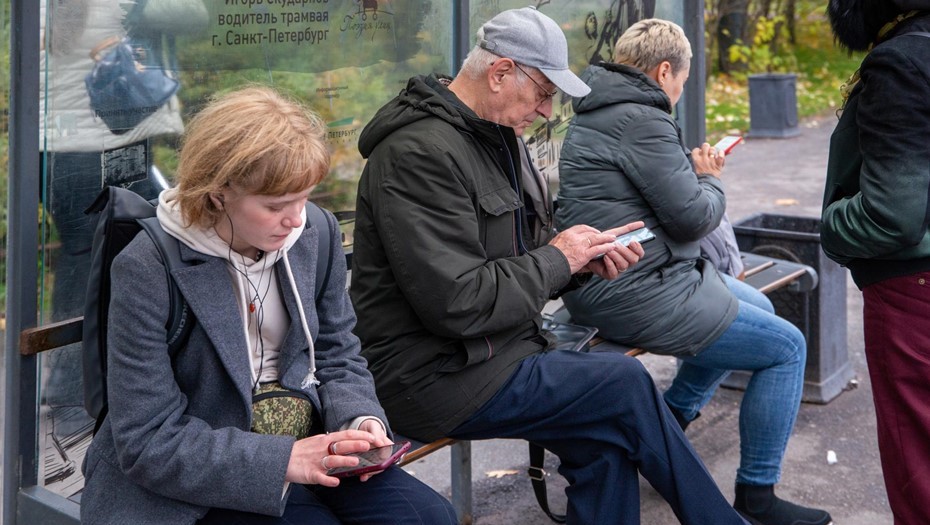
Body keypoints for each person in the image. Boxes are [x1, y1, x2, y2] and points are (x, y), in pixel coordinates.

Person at [351, 7, 751, 524]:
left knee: (604, 443)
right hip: (436, 376)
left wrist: (584, 260)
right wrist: (559, 259)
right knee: (623, 382)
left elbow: (529, 246)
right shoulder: (418, 152)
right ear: (500, 73)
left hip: (502, 352)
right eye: (542, 93)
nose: (545, 111)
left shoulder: (496, 136)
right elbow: (458, 302)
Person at [79, 86, 457, 525]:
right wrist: (282, 461)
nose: (296, 218)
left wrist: (360, 418)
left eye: (305, 197)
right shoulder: (148, 266)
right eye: (276, 205)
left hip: (307, 441)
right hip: (200, 472)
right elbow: (147, 440)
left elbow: (337, 349)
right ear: (218, 192)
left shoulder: (315, 233)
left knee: (427, 516)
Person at [555, 19, 831, 525]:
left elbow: (654, 198)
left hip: (628, 277)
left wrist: (686, 176)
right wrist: (708, 178)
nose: (681, 90)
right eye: (682, 79)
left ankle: (671, 422)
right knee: (787, 347)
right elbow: (693, 219)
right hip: (633, 286)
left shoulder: (606, 109)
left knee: (763, 308)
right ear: (665, 71)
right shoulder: (642, 117)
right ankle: (757, 496)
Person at [40, 0, 185, 443]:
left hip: (66, 147)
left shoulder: (54, 6)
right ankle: (69, 396)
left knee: (88, 260)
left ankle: (83, 387)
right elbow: (191, 14)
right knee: (159, 240)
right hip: (100, 149)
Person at [822, 2, 930, 523]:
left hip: (912, 293)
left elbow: (891, 217)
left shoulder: (900, 62)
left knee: (918, 468)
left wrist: (829, 225)